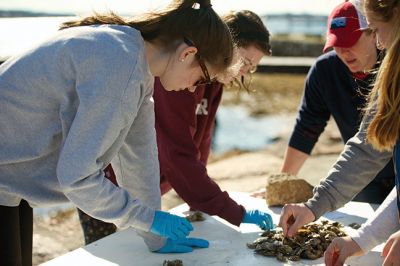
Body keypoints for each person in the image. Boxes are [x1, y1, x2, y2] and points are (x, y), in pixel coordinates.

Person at [0, 0, 236, 264]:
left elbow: (139, 160)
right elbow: (78, 179)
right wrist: (148, 219)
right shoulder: (118, 64)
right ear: (187, 53)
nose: (194, 90)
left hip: (11, 185)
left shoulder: (135, 64)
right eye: (202, 79)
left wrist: (155, 236)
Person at [77, 10, 274, 245]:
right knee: (112, 252)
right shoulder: (178, 79)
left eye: (251, 68)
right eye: (245, 62)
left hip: (147, 188)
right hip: (105, 185)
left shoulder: (213, 83)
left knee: (142, 252)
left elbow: (201, 144)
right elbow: (176, 154)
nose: (243, 71)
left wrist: (201, 200)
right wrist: (234, 212)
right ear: (226, 45)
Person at [278, 0, 400, 265]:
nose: (380, 43)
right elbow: (367, 148)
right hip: (368, 185)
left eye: (377, 29)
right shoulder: (391, 71)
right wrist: (314, 206)